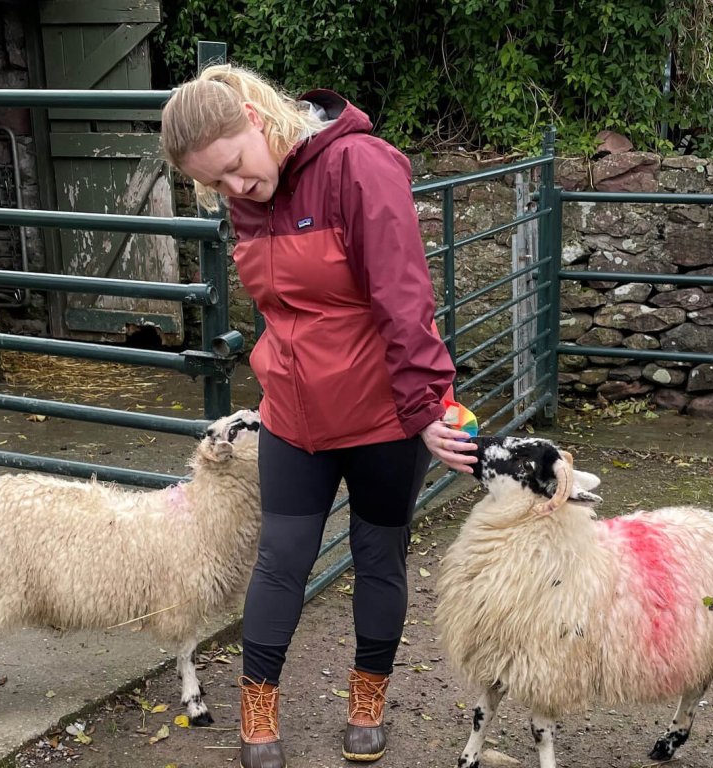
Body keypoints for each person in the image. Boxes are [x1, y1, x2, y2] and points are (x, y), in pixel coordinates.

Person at [160, 64, 479, 768]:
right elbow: (285, 309)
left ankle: (368, 700)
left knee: (378, 557)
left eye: (236, 168)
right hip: (295, 416)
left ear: (254, 115)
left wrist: (427, 405)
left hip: (383, 417)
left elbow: (403, 293)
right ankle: (257, 706)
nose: (235, 189)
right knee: (280, 562)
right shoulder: (250, 196)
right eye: (216, 184)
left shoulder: (359, 166)